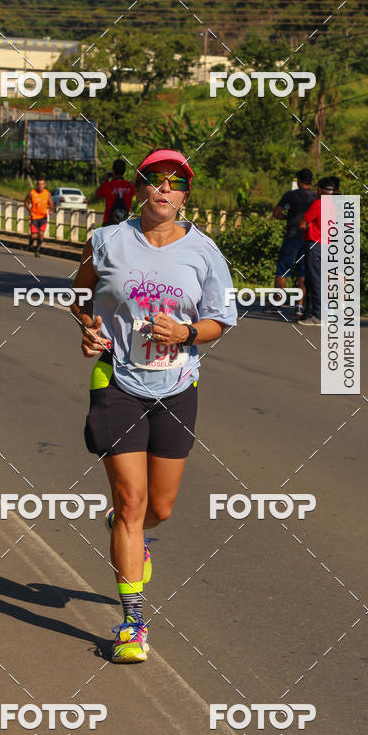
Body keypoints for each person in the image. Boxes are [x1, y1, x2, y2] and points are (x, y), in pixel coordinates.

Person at [71, 148, 237, 663]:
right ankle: (133, 624)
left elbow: (220, 319)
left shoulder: (205, 253)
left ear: (186, 195)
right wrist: (90, 331)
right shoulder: (106, 241)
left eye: (176, 182)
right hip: (116, 381)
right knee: (132, 504)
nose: (165, 189)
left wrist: (187, 331)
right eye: (155, 179)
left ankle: (130, 533)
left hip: (177, 384)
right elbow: (80, 295)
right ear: (140, 187)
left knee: (159, 509)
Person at [271, 168, 317, 318]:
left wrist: (287, 217)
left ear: (298, 180)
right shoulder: (316, 198)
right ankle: (299, 306)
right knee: (303, 273)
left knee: (283, 270)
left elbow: (276, 213)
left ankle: (277, 303)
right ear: (312, 182)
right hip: (308, 238)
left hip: (291, 237)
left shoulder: (290, 196)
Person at [298, 177, 335, 326]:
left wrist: (308, 227)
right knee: (313, 279)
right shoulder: (333, 205)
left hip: (315, 244)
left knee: (315, 280)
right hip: (327, 244)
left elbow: (303, 224)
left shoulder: (318, 204)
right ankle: (310, 313)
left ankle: (318, 315)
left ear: (319, 190)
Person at [95, 159, 135, 226]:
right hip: (124, 224)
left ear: (113, 171)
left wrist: (104, 181)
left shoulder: (106, 185)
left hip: (108, 223)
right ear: (124, 171)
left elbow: (96, 197)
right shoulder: (130, 186)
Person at [24, 179, 53, 256]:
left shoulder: (47, 193)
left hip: (43, 217)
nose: (40, 186)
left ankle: (37, 250)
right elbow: (26, 202)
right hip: (34, 217)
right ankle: (31, 240)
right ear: (36, 185)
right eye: (39, 184)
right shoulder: (32, 193)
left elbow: (51, 204)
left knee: (41, 234)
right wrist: (30, 210)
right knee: (34, 236)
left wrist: (50, 210)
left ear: (44, 185)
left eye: (42, 184)